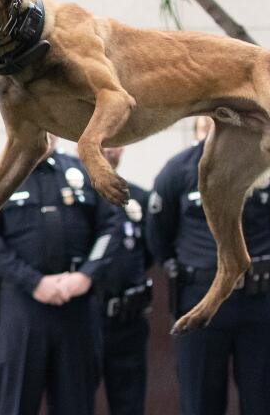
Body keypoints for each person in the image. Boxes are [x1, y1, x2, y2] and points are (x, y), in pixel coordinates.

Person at [147, 116, 270, 415]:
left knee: (261, 399)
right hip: (200, 299)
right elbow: (158, 234)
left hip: (258, 299)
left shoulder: (268, 166)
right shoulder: (179, 170)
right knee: (200, 400)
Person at [0, 134, 123, 415]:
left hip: (76, 305)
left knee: (77, 404)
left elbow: (111, 226)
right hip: (22, 306)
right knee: (15, 403)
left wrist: (86, 275)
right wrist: (34, 282)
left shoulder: (83, 169)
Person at [97, 146, 153, 415]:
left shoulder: (139, 199)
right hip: (84, 321)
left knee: (130, 404)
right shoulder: (77, 196)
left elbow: (152, 251)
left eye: (114, 141)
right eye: (100, 141)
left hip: (128, 321)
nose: (107, 149)